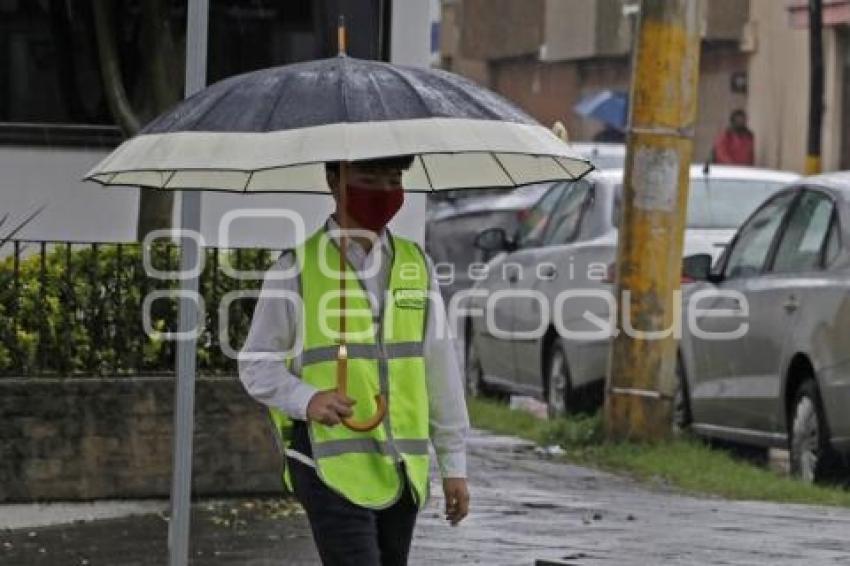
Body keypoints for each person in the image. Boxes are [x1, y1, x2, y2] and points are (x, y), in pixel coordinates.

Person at [238, 155, 470, 566]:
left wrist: (454, 464)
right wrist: (307, 398)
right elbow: (257, 362)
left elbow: (440, 366)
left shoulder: (417, 265)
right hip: (329, 462)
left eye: (394, 178)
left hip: (402, 469)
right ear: (333, 181)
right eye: (368, 178)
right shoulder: (296, 268)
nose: (383, 190)